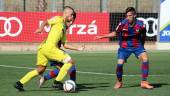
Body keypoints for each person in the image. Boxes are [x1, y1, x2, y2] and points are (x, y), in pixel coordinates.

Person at [14, 6, 84, 91]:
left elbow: (65, 45)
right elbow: (46, 21)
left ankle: (19, 83)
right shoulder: (58, 19)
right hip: (50, 48)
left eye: (73, 15)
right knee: (70, 62)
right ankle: (57, 82)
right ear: (65, 13)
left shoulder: (64, 28)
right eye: (71, 14)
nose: (72, 17)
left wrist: (78, 48)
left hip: (43, 49)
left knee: (40, 70)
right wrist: (40, 28)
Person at [95, 7, 153, 89]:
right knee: (120, 64)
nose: (128, 17)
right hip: (124, 47)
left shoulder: (141, 24)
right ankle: (119, 82)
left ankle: (144, 82)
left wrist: (142, 46)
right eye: (127, 16)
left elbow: (143, 35)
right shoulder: (122, 24)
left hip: (137, 46)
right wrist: (102, 36)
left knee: (145, 58)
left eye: (130, 15)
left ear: (134, 15)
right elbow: (115, 33)